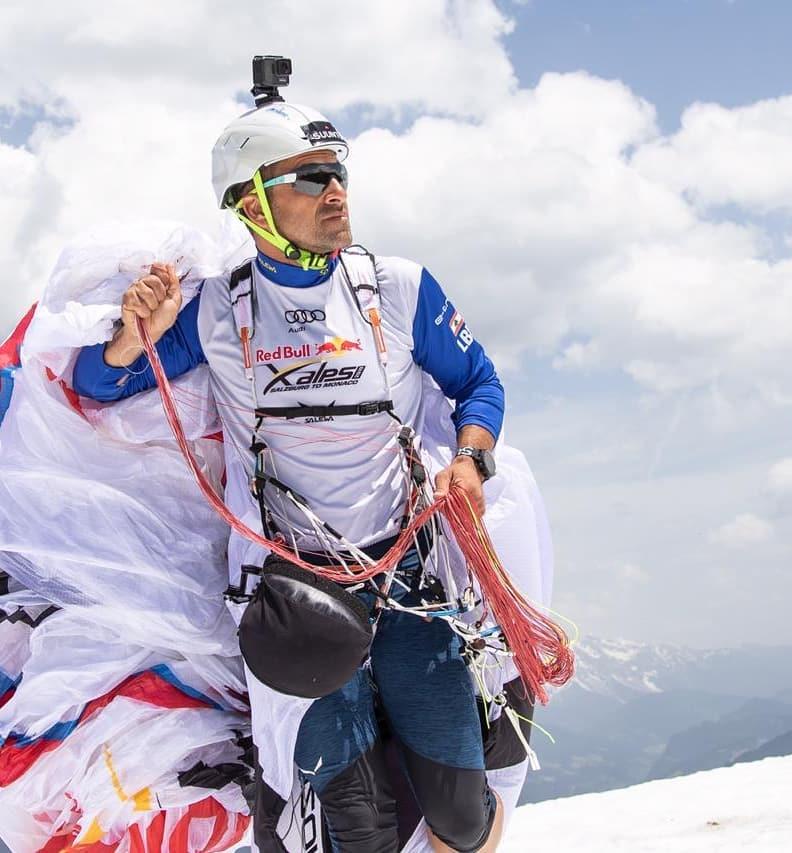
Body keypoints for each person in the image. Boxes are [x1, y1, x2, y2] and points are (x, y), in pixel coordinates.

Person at [72, 96, 511, 852]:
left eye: (336, 172)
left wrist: (470, 459)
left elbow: (478, 384)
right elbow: (97, 385)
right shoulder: (215, 310)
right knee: (353, 831)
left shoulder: (399, 288)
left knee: (462, 817)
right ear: (251, 202)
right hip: (297, 597)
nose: (333, 189)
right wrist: (130, 338)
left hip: (410, 580)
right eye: (307, 177)